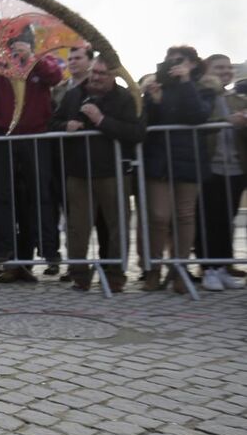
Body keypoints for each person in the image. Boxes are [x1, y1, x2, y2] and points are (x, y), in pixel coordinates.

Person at [50, 57, 145, 292]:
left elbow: (136, 132)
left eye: (102, 73)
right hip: (79, 172)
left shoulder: (125, 98)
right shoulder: (74, 95)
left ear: (113, 75)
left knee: (117, 226)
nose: (95, 77)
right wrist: (66, 126)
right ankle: (79, 275)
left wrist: (100, 120)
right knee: (77, 227)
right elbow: (53, 123)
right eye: (93, 72)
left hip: (113, 172)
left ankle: (115, 275)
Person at [0, 25, 62, 282]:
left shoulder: (42, 62)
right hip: (5, 138)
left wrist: (32, 59)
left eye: (20, 43)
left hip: (35, 139)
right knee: (3, 196)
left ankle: (48, 250)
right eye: (12, 44)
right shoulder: (1, 64)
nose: (16, 48)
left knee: (39, 195)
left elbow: (55, 76)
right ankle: (5, 252)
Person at [141, 47, 213, 293]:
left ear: (193, 63)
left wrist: (184, 82)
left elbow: (198, 116)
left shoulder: (203, 87)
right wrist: (153, 100)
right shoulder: (157, 86)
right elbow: (147, 121)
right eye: (169, 61)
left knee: (185, 215)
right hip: (159, 159)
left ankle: (179, 271)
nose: (173, 64)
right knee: (159, 217)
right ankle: (153, 270)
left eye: (179, 61)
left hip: (189, 159)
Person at [196, 54, 247, 290]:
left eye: (228, 67)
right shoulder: (202, 94)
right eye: (219, 67)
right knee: (209, 219)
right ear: (207, 69)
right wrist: (225, 120)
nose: (225, 71)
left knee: (228, 219)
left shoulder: (237, 99)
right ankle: (208, 268)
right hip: (210, 167)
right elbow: (199, 121)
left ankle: (223, 266)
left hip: (236, 168)